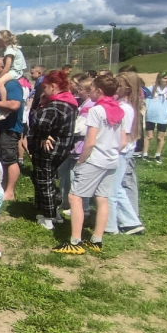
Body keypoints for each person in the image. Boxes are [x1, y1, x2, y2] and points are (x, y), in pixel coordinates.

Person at [52, 75, 124, 255]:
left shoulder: (96, 110)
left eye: (91, 89)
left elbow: (90, 142)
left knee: (75, 197)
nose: (89, 92)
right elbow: (123, 140)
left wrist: (81, 161)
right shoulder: (119, 110)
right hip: (112, 160)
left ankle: (75, 241)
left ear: (99, 91)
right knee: (102, 198)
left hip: (94, 159)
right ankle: (96, 239)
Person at [27, 70, 79, 230]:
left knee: (44, 181)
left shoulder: (55, 105)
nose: (44, 90)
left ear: (53, 86)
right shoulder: (70, 103)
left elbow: (40, 122)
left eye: (46, 87)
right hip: (62, 148)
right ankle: (55, 212)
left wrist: (43, 136)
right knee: (51, 179)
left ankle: (48, 218)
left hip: (48, 149)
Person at [105, 72, 145, 235]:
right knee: (117, 189)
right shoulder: (121, 105)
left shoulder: (125, 109)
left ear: (128, 89)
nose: (116, 88)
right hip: (121, 152)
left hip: (121, 153)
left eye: (119, 86)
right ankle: (131, 222)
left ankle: (111, 226)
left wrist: (112, 152)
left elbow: (125, 136)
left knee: (111, 191)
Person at [0, 57, 25, 201]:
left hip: (9, 127)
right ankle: (2, 187)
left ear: (5, 67)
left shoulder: (11, 84)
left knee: (9, 159)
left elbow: (14, 104)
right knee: (0, 158)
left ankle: (9, 192)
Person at [59, 73, 92, 211]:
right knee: (67, 175)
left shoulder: (89, 106)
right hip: (75, 147)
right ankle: (67, 202)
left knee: (75, 178)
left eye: (82, 90)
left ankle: (82, 208)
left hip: (80, 147)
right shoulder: (84, 103)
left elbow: (81, 129)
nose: (79, 91)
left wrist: (65, 126)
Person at [0, 29, 27, 109]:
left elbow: (6, 68)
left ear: (3, 40)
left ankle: (3, 103)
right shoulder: (8, 50)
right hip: (13, 71)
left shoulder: (10, 50)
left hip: (15, 71)